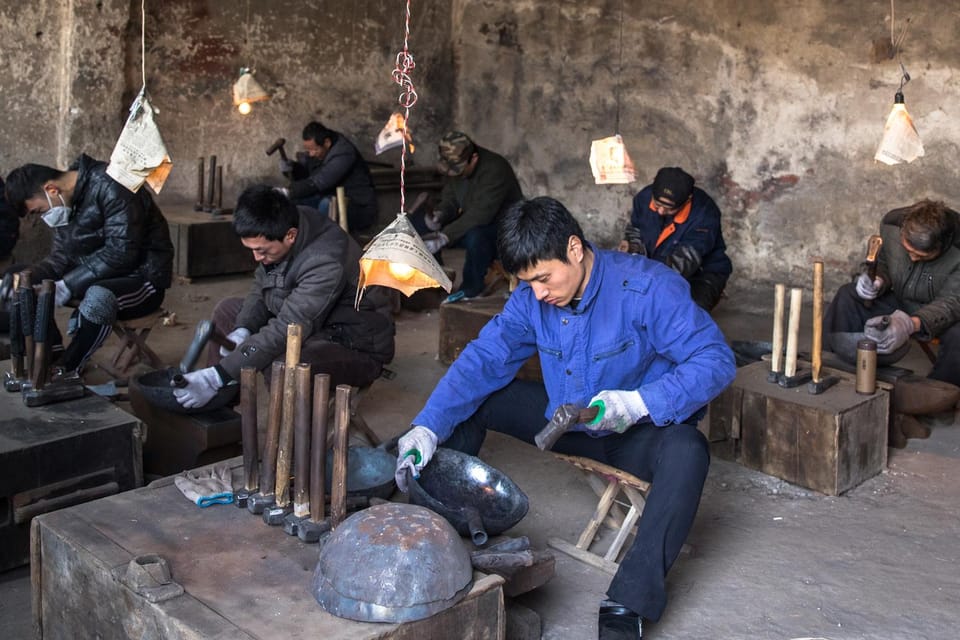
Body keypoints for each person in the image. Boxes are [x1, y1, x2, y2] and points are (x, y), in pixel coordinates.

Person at [394, 196, 736, 639]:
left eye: (543, 278)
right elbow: (485, 359)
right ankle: (433, 529)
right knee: (475, 398)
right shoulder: (530, 298)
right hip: (566, 420)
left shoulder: (648, 287)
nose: (538, 293)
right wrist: (427, 425)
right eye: (526, 282)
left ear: (575, 249)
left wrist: (638, 403)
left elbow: (716, 360)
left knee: (689, 451)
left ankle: (628, 602)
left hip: (637, 430)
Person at [174, 185, 395, 410]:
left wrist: (216, 375)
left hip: (353, 342)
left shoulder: (324, 261)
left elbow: (289, 327)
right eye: (251, 250)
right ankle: (220, 406)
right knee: (227, 312)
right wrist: (245, 328)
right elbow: (263, 284)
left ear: (290, 236)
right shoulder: (284, 224)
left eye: (262, 251)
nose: (256, 257)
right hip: (318, 322)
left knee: (282, 364)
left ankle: (289, 441)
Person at [4, 155, 173, 375]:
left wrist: (68, 285)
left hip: (143, 278)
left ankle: (68, 369)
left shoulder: (113, 185)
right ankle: (51, 353)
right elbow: (59, 260)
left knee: (98, 297)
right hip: (96, 276)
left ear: (51, 189)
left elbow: (121, 253)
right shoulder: (66, 202)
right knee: (19, 276)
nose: (44, 218)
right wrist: (23, 278)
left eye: (39, 211)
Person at [824, 199, 960, 444]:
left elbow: (951, 302)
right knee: (847, 294)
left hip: (942, 312)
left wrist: (911, 324)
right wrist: (877, 281)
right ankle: (831, 370)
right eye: (908, 251)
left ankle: (926, 409)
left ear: (944, 244)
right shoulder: (891, 225)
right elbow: (885, 262)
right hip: (900, 301)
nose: (912, 258)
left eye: (921, 256)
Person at [419, 131, 523, 304]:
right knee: (423, 226)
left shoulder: (496, 169)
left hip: (506, 230)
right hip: (475, 220)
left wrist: (445, 236)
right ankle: (433, 283)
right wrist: (440, 214)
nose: (456, 175)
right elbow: (451, 198)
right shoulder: (457, 165)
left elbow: (480, 215)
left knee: (476, 236)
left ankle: (471, 289)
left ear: (474, 159)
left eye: (458, 171)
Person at [619, 167, 732, 311]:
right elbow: (636, 228)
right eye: (657, 205)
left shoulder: (705, 213)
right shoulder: (644, 197)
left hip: (699, 274)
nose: (660, 211)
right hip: (654, 268)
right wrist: (632, 247)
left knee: (685, 314)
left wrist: (645, 282)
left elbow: (685, 261)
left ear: (687, 200)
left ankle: (713, 292)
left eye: (668, 208)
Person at [278, 121, 378, 234]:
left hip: (358, 208)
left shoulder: (343, 153)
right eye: (308, 150)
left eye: (314, 150)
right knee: (295, 203)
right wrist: (292, 168)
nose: (311, 154)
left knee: (327, 205)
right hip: (329, 197)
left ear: (327, 142)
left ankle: (323, 243)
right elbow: (309, 176)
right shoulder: (321, 152)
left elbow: (320, 182)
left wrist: (288, 191)